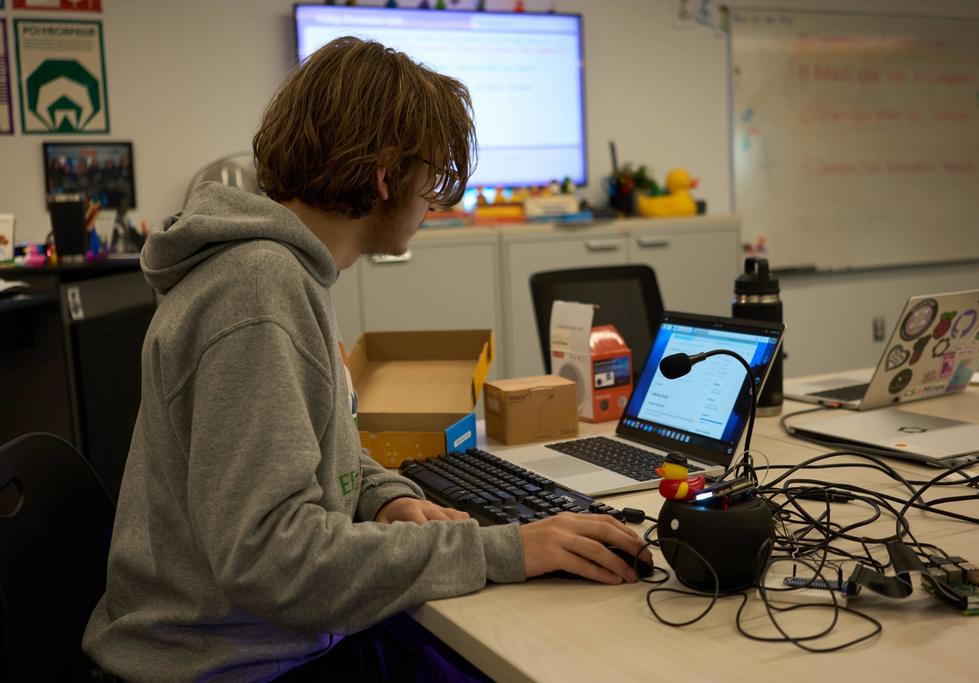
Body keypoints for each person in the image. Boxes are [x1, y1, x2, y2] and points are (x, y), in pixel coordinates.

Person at [83, 37, 650, 681]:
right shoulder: (258, 290)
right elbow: (272, 559)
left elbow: (313, 443)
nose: (437, 204)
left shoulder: (283, 270)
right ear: (386, 176)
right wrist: (504, 547)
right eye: (431, 179)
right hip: (229, 666)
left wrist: (383, 498)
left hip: (255, 644)